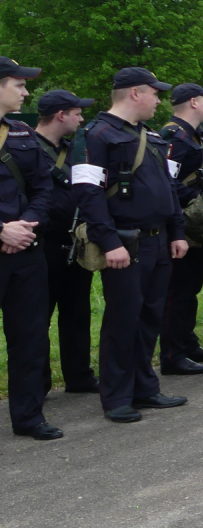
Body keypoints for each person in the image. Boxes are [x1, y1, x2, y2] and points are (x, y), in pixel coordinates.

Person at [72, 67, 188, 424]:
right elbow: (87, 194)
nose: (159, 100)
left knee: (149, 318)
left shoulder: (149, 134)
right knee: (123, 320)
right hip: (125, 243)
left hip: (158, 240)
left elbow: (169, 187)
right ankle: (117, 396)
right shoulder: (95, 135)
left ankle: (145, 388)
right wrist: (109, 242)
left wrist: (178, 231)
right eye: (155, 93)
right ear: (135, 93)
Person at [0, 59, 60, 440]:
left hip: (25, 250)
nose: (26, 93)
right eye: (19, 85)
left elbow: (44, 187)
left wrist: (25, 226)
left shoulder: (22, 132)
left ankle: (28, 416)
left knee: (30, 335)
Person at [35, 89, 98, 397]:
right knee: (37, 317)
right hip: (42, 244)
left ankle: (79, 376)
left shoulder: (76, 149)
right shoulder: (27, 148)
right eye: (77, 112)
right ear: (61, 115)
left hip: (76, 242)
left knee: (77, 312)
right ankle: (38, 383)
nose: (81, 117)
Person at [158, 83, 203, 376]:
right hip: (182, 220)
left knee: (191, 287)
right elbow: (167, 184)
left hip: (196, 222)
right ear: (193, 102)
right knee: (177, 290)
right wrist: (194, 201)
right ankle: (172, 354)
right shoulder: (173, 137)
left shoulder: (195, 135)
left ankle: (187, 341)